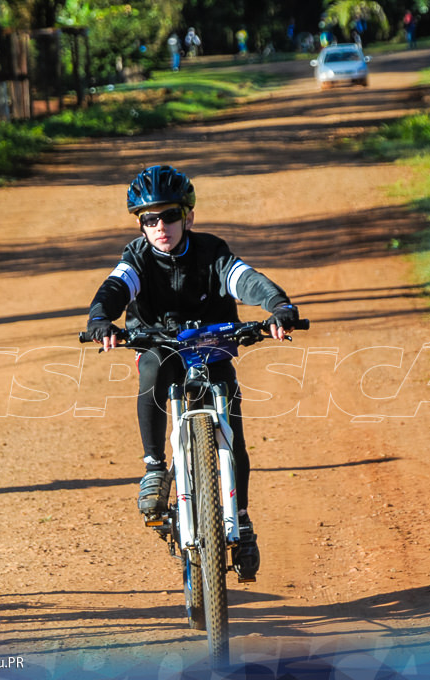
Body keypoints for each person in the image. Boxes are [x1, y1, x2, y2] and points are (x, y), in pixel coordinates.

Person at [85, 165, 300, 581]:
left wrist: (278, 307)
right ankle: (153, 468)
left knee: (232, 426)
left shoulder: (212, 252)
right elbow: (114, 290)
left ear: (189, 216)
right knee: (151, 373)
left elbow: (246, 281)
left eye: (169, 216)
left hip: (212, 344)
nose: (160, 226)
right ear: (140, 225)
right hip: (158, 345)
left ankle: (241, 516)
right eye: (149, 219)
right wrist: (100, 318)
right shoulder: (137, 258)